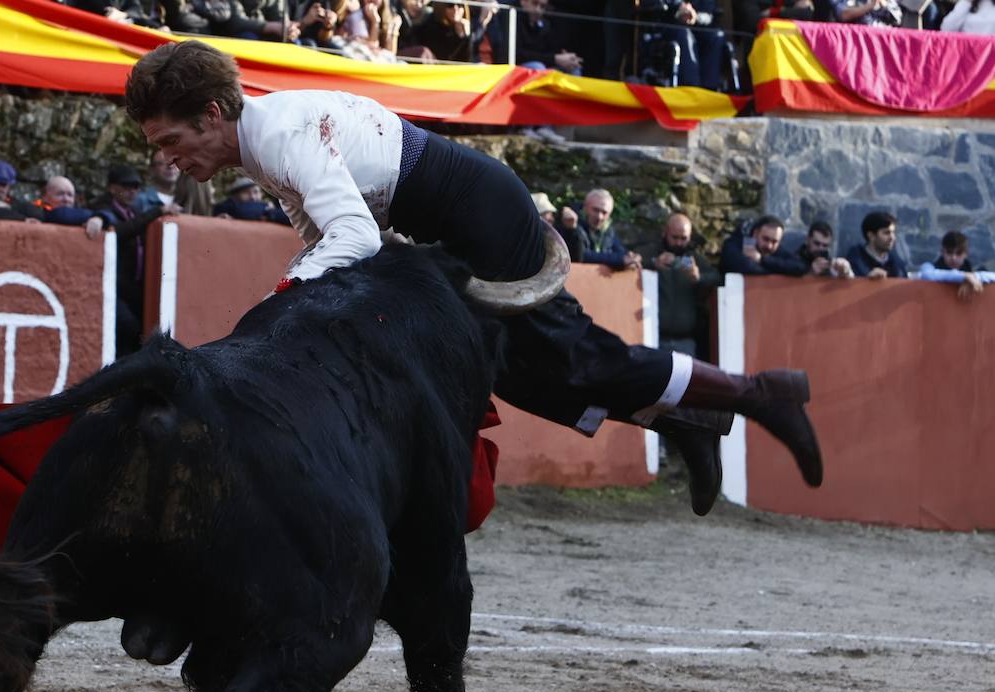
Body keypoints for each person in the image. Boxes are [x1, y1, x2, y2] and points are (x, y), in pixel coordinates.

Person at [124, 40, 824, 516]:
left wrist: (288, 294)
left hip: (476, 211)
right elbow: (323, 235)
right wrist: (300, 282)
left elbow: (354, 237)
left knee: (572, 354)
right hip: (456, 215)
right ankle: (688, 422)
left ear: (211, 114)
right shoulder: (261, 143)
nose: (169, 160)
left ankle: (759, 392)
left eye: (171, 142)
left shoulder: (274, 134)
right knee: (514, 373)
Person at [91, 163, 182, 354]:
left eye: (136, 187)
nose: (132, 191)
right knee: (128, 326)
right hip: (112, 283)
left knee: (140, 327)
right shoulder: (102, 208)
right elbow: (119, 232)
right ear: (113, 188)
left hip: (132, 284)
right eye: (126, 186)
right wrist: (157, 211)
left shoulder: (132, 211)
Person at [639, 213, 721, 357]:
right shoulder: (649, 252)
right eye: (675, 237)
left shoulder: (694, 259)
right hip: (653, 337)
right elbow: (630, 267)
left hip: (686, 340)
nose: (679, 243)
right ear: (665, 232)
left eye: (683, 239)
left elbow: (719, 279)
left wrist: (699, 278)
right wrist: (652, 264)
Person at [563, 189, 641, 271]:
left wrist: (631, 259)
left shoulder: (607, 230)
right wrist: (620, 260)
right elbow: (580, 255)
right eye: (595, 210)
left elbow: (621, 253)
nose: (599, 217)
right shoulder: (570, 224)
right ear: (585, 207)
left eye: (604, 213)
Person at [917, 230, 994, 299]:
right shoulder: (929, 267)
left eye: (959, 253)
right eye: (949, 252)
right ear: (942, 252)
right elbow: (927, 275)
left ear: (966, 253)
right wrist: (963, 276)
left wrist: (974, 277)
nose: (953, 258)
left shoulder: (974, 270)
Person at [719, 215, 807, 275]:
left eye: (774, 242)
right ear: (755, 234)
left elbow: (799, 267)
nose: (769, 246)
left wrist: (762, 259)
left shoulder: (773, 249)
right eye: (766, 239)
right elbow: (747, 268)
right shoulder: (734, 244)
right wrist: (778, 270)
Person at [845, 210, 908, 279]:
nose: (892, 238)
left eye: (893, 233)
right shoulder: (855, 259)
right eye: (886, 233)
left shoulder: (897, 263)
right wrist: (867, 279)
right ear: (871, 236)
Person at [214, 175, 293, 223]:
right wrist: (267, 210)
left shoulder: (269, 206)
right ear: (235, 196)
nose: (252, 196)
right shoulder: (228, 207)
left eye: (256, 192)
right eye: (246, 193)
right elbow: (242, 211)